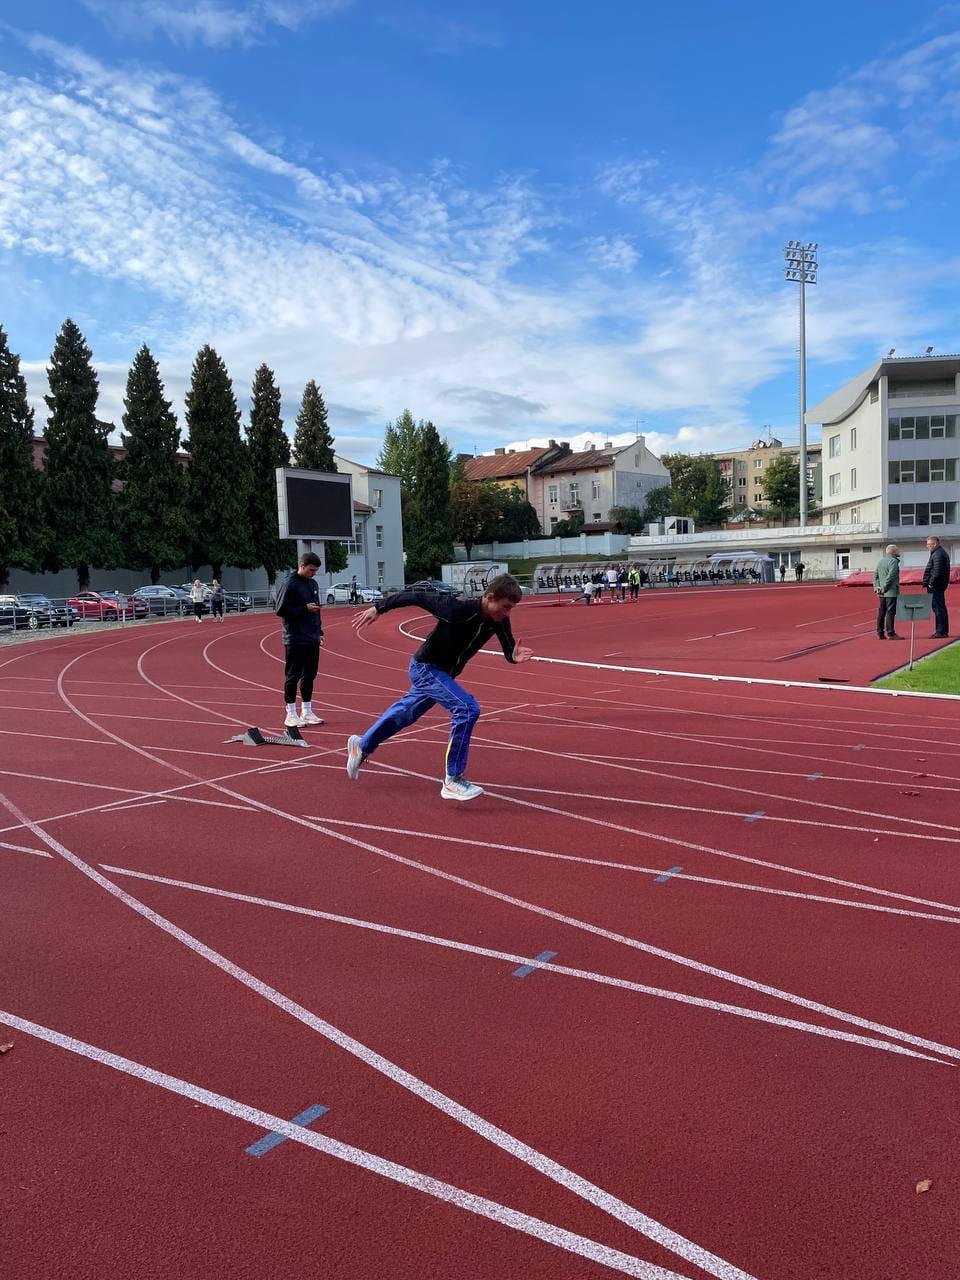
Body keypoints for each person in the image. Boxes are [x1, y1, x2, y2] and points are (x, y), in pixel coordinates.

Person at [346, 574, 533, 801]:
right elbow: (416, 595)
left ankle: (361, 745)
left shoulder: (499, 620)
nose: (506, 613)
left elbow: (509, 649)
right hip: (425, 667)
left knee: (404, 713)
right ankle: (453, 780)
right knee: (467, 708)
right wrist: (379, 607)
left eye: (511, 609)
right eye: (504, 607)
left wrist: (514, 656)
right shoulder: (456, 609)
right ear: (489, 597)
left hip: (443, 674)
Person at [274, 551, 325, 727]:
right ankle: (290, 713)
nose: (313, 573)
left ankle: (307, 710)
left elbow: (316, 609)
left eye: (315, 571)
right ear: (301, 566)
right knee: (293, 675)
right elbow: (280, 609)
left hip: (311, 636)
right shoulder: (289, 584)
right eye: (311, 570)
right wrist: (304, 608)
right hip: (295, 637)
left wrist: (320, 632)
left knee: (310, 675)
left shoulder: (313, 584)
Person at [922, 535, 950, 638]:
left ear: (934, 544)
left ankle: (941, 631)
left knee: (938, 608)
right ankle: (942, 631)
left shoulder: (938, 554)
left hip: (936, 586)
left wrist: (931, 583)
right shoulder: (938, 553)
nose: (927, 547)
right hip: (938, 585)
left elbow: (937, 571)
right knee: (940, 608)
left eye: (928, 544)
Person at [873, 543, 901, 640]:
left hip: (881, 592)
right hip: (890, 591)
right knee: (890, 612)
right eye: (897, 550)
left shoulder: (881, 561)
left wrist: (877, 588)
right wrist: (885, 588)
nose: (899, 552)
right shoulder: (893, 562)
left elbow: (875, 576)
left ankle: (880, 632)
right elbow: (891, 576)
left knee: (882, 612)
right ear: (893, 551)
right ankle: (890, 633)